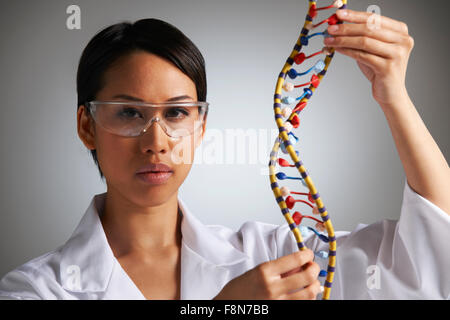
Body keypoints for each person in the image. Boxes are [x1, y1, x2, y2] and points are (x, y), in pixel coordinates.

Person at [0, 8, 448, 300]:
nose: (156, 141)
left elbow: (425, 260)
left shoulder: (270, 256)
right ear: (86, 126)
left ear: (201, 127)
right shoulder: (37, 288)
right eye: (129, 112)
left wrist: (393, 97)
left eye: (177, 113)